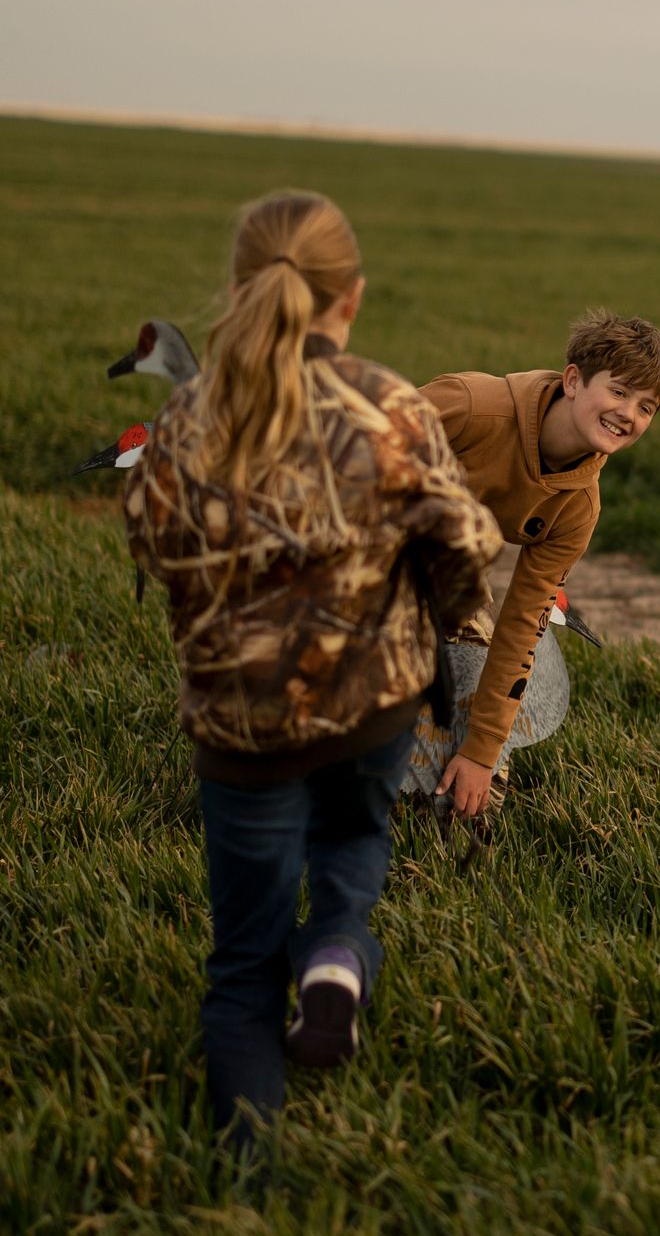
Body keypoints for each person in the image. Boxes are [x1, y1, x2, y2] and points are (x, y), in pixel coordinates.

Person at [124, 190, 500, 1142]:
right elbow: (465, 543)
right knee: (351, 842)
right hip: (370, 711)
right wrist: (441, 616)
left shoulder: (188, 417)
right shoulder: (391, 406)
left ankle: (242, 1181)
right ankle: (337, 957)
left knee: (240, 973)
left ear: (243, 290)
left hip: (239, 729)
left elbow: (153, 542)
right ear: (351, 299)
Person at [419, 312, 660, 819]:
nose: (629, 413)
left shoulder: (579, 506)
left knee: (476, 786)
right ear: (572, 381)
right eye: (621, 392)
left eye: (646, 406)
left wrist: (482, 747)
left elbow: (524, 623)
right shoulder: (471, 407)